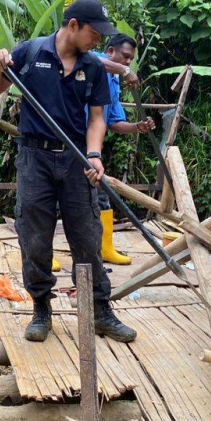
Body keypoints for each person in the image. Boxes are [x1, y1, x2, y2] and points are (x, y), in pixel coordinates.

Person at [0, 0, 136, 344]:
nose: (98, 41)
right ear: (73, 26)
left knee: (87, 236)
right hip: (34, 158)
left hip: (76, 160)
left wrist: (95, 155)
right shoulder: (31, 52)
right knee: (35, 237)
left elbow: (97, 118)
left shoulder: (94, 67)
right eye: (94, 34)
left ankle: (100, 311)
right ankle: (41, 310)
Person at [92, 34, 156, 266]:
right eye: (125, 57)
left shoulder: (114, 81)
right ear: (110, 52)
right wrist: (123, 70)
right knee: (58, 197)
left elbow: (114, 122)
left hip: (92, 146)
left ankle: (105, 248)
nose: (128, 62)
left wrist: (137, 127)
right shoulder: (94, 61)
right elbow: (88, 59)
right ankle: (42, 254)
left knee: (99, 196)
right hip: (67, 139)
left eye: (131, 59)